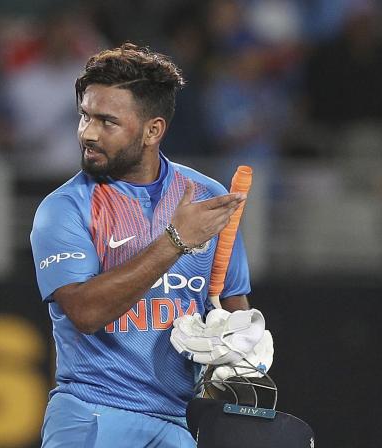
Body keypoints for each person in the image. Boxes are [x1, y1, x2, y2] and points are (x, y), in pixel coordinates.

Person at [29, 43, 254, 447]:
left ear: (153, 130)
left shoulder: (206, 194)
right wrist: (175, 241)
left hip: (183, 423)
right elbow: (84, 310)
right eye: (84, 116)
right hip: (93, 412)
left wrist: (244, 344)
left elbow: (231, 300)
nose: (88, 133)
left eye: (106, 121)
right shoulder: (63, 208)